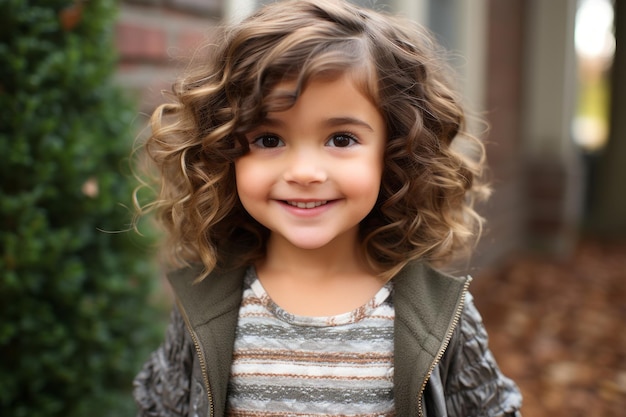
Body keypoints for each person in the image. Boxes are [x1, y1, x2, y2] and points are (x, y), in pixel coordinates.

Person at [132, 0, 523, 416]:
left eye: (340, 139)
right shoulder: (205, 303)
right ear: (225, 152)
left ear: (394, 153)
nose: (304, 172)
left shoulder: (438, 314)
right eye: (268, 139)